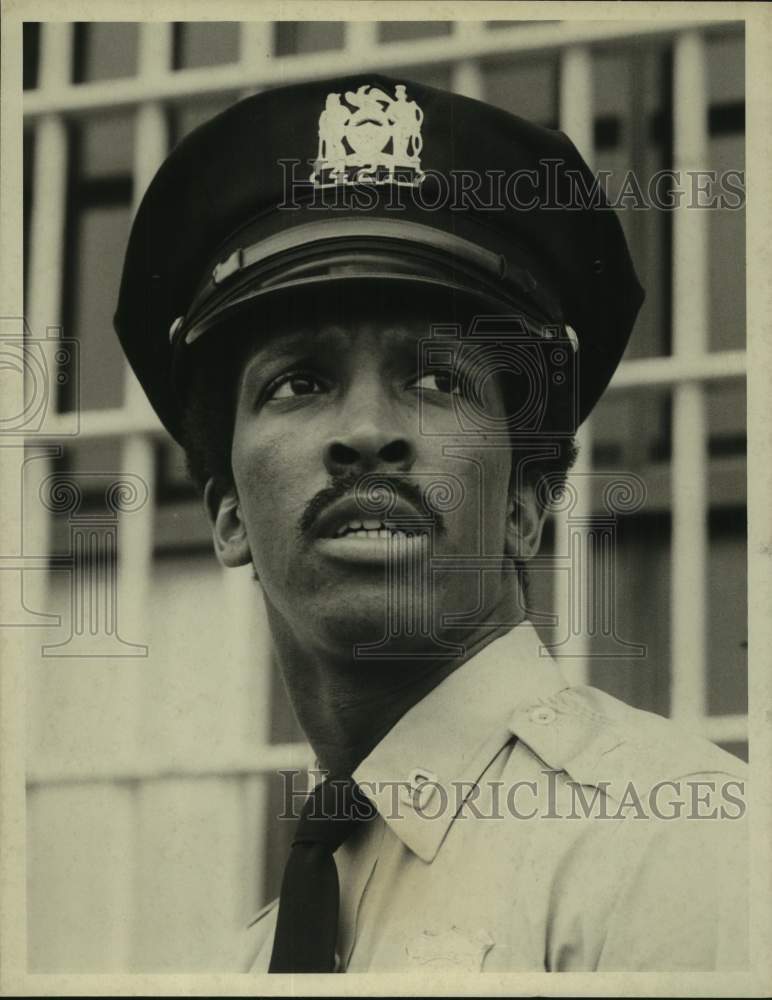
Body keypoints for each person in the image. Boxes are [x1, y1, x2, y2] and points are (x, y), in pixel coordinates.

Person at [114, 73, 748, 973]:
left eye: (439, 379)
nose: (368, 434)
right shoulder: (251, 963)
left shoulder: (670, 847)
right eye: (299, 381)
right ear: (227, 515)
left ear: (526, 504)